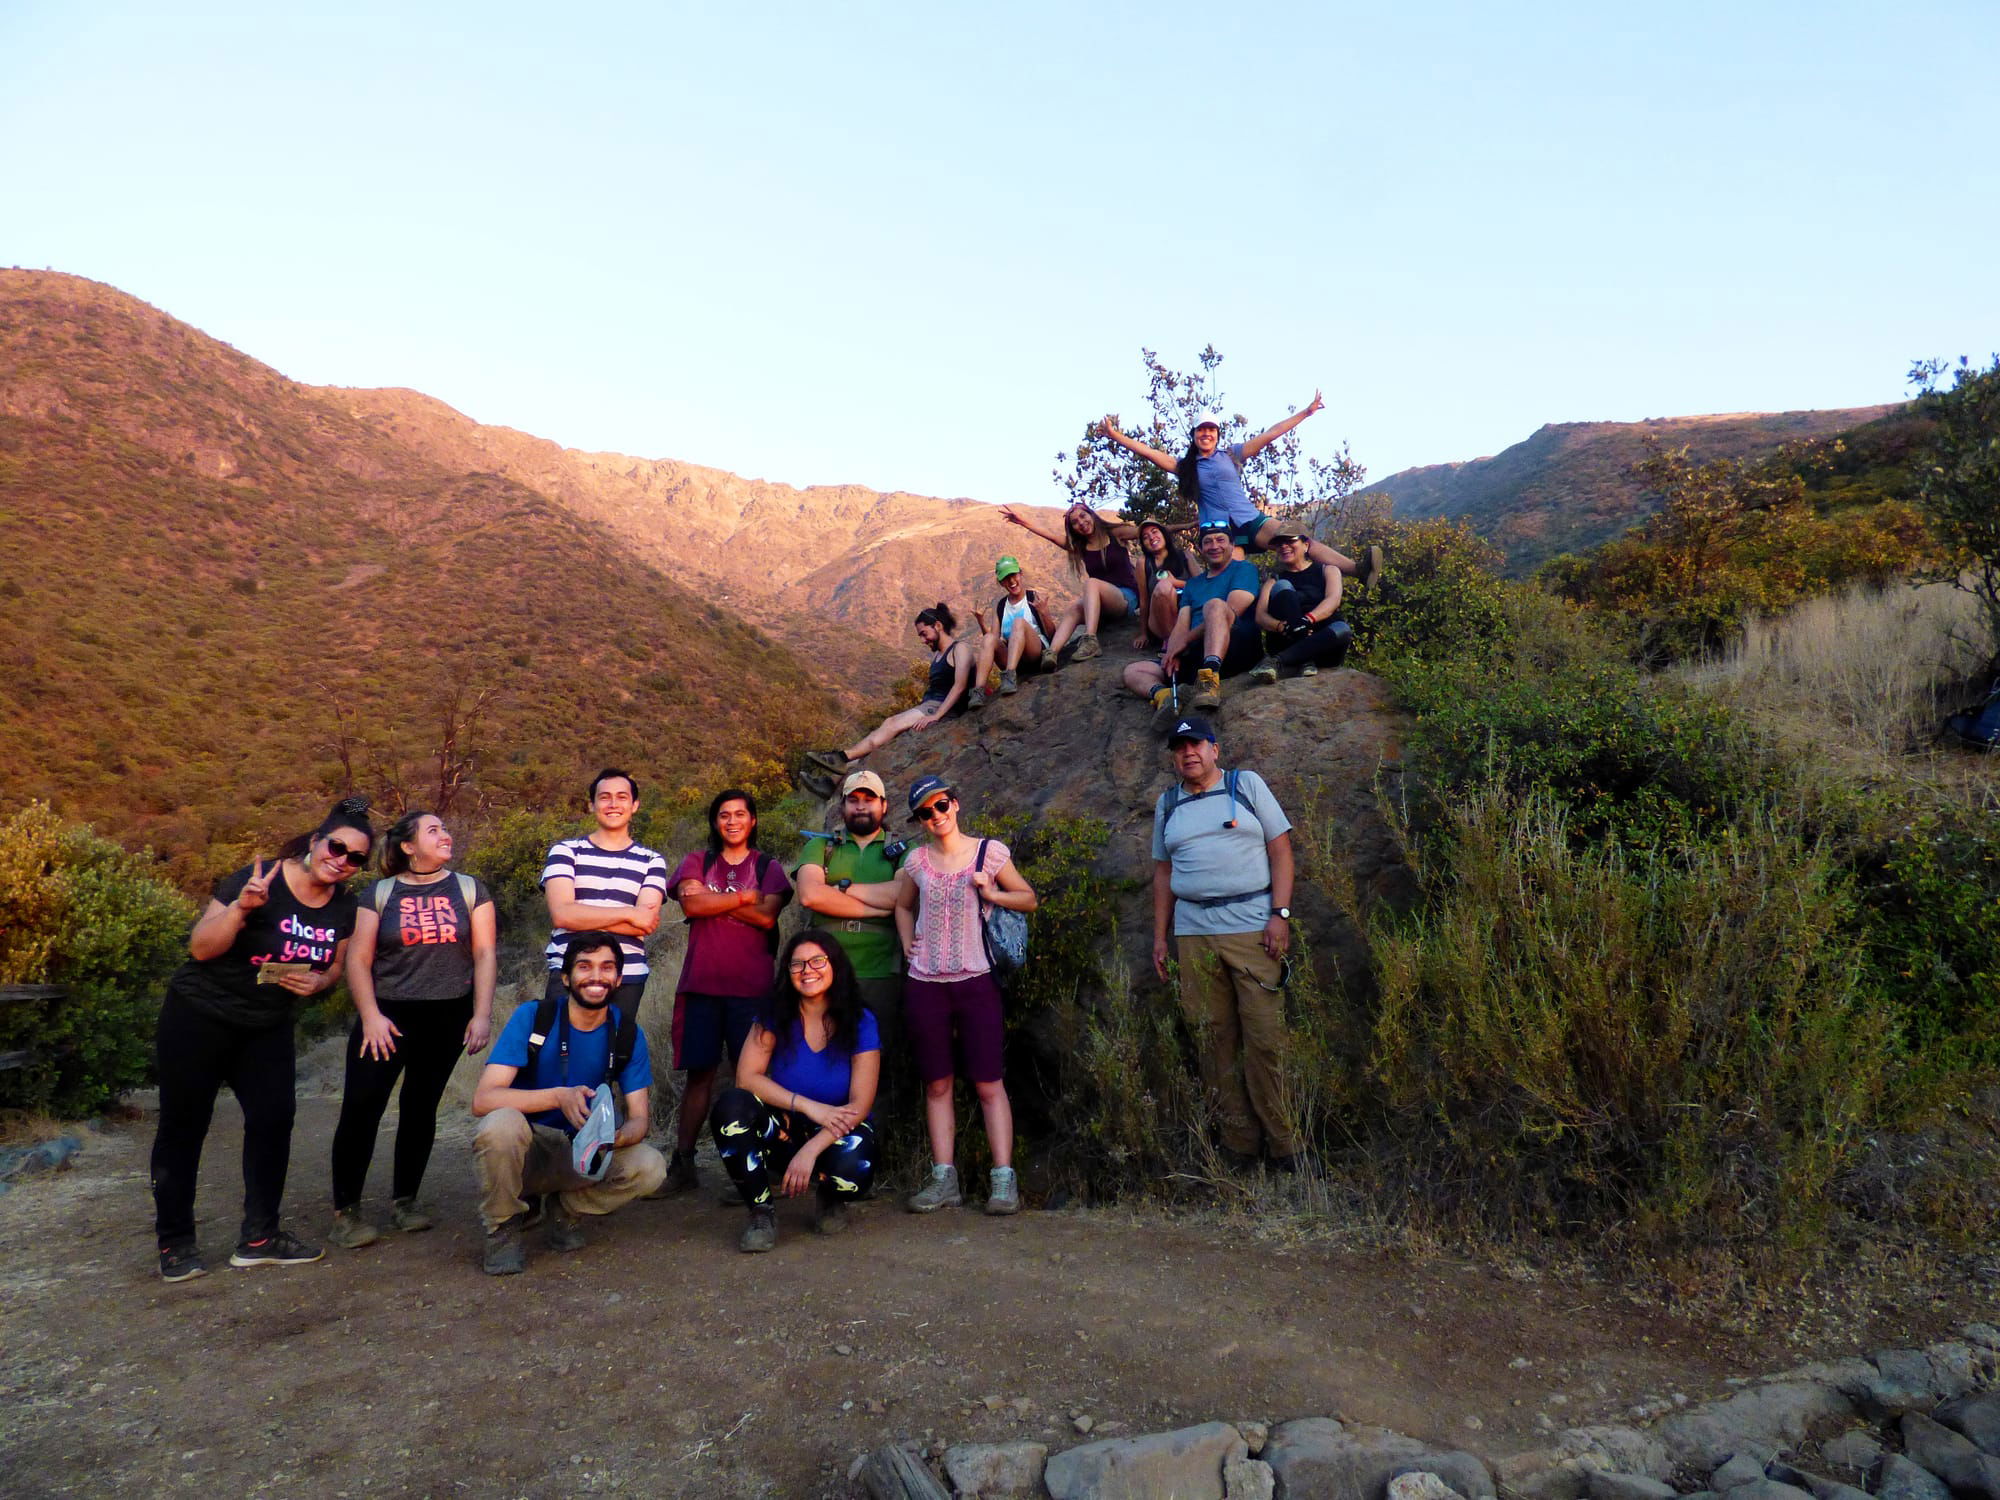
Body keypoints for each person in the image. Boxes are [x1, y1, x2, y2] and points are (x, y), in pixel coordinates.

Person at [151, 797, 373, 1282]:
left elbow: (334, 965)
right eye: (336, 846)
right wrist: (239, 911)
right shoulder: (260, 880)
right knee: (184, 1127)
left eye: (356, 857)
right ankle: (175, 1243)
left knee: (274, 1121)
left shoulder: (344, 908)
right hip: (199, 1016)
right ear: (316, 841)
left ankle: (259, 1238)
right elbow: (200, 947)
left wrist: (319, 983)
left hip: (267, 1025)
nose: (342, 859)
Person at [328, 810, 497, 1249]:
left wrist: (481, 1014)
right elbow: (359, 960)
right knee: (362, 1108)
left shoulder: (469, 888)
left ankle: (406, 1201)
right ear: (408, 845)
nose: (446, 834)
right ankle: (346, 1211)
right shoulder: (379, 893)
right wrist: (370, 1016)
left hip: (447, 1015)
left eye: (445, 826)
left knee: (421, 1108)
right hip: (387, 1017)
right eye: (434, 829)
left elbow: (483, 954)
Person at [1150, 714, 1308, 1173]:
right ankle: (1238, 1144)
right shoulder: (1168, 804)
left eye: (1197, 744)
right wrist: (1160, 938)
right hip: (1193, 932)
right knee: (1210, 1038)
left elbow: (1281, 849)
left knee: (1266, 1038)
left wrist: (1280, 915)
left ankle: (1286, 1145)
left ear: (1215, 748)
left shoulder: (1246, 785)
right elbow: (1163, 873)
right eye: (1179, 748)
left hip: (1252, 926)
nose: (1188, 753)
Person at [470, 935, 667, 1274]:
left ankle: (565, 1209)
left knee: (650, 1166)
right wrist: (558, 1097)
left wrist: (612, 1138)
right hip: (528, 1146)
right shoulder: (534, 1017)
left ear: (619, 979)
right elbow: (483, 1099)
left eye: (607, 968)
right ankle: (502, 1226)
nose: (596, 977)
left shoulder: (628, 1034)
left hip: (583, 1150)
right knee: (499, 1125)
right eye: (584, 967)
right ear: (565, 978)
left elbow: (639, 1119)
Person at [893, 775, 1038, 1216]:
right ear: (919, 821)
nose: (935, 816)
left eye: (941, 806)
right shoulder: (916, 862)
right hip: (926, 982)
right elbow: (902, 905)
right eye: (925, 812)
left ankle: (1002, 1180)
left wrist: (992, 891)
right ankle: (943, 1179)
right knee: (937, 1082)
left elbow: (1028, 898)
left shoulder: (988, 853)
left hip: (976, 979)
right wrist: (907, 945)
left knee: (988, 1081)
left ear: (955, 804)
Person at [710, 929, 881, 1252]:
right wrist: (807, 1107)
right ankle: (761, 1211)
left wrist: (811, 1150)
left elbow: (860, 1104)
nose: (807, 971)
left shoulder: (861, 1019)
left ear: (836, 965)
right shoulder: (775, 1014)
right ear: (787, 972)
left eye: (818, 961)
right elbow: (747, 1078)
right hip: (786, 1125)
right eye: (797, 964)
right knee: (731, 1107)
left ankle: (830, 1197)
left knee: (854, 1168)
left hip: (838, 1129)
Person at [661, 788, 794, 1194]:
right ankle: (683, 1165)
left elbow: (767, 918)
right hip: (701, 985)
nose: (732, 821)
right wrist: (741, 897)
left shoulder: (768, 866)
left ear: (753, 820)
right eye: (724, 815)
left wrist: (711, 897)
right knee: (699, 1076)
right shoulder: (696, 861)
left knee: (752, 1078)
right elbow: (692, 908)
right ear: (715, 822)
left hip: (750, 990)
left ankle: (762, 1168)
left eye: (740, 814)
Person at [1099, 400, 1382, 582]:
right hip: (1220, 530)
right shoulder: (1186, 467)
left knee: (1297, 539)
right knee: (1231, 580)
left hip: (1249, 518)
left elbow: (1270, 434)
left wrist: (1305, 413)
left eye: (1211, 430)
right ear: (1194, 435)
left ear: (1218, 434)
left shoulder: (1233, 455)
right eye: (1201, 430)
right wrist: (1116, 436)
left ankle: (1357, 570)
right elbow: (1150, 454)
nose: (1206, 434)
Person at [795, 770, 910, 1056]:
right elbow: (810, 895)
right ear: (842, 806)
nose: (861, 806)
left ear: (884, 805)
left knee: (878, 1060)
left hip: (882, 973)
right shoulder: (820, 846)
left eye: (869, 799)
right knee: (824, 1055)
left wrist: (841, 888)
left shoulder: (905, 851)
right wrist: (880, 908)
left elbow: (904, 896)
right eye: (853, 799)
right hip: (825, 973)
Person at [540, 769, 668, 1015]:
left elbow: (644, 924)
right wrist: (629, 913)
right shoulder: (565, 852)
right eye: (604, 797)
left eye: (622, 797)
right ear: (592, 805)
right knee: (560, 1051)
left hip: (626, 977)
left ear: (635, 805)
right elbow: (562, 915)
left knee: (615, 1051)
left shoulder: (652, 861)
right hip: (570, 971)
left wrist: (582, 916)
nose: (613, 804)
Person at [805, 604, 974, 780]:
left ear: (938, 626)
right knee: (887, 736)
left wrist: (937, 715)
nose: (923, 640)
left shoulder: (960, 648)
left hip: (941, 707)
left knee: (891, 724)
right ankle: (835, 779)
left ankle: (841, 757)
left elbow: (960, 685)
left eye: (924, 634)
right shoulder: (938, 655)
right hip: (930, 705)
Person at [1121, 522, 1264, 725]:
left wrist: (1184, 641)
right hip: (1197, 653)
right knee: (1133, 671)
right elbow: (1182, 622)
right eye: (1207, 542)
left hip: (1235, 646)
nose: (1214, 546)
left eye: (1221, 540)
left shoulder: (1244, 570)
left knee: (1215, 606)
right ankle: (1165, 697)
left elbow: (1232, 611)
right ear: (1200, 549)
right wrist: (1174, 652)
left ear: (1232, 545)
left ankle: (1210, 678)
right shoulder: (1194, 584)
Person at [996, 502, 1141, 661]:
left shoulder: (1115, 533)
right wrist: (1022, 521)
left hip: (1126, 598)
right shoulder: (1080, 546)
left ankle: (1090, 639)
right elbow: (1049, 535)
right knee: (1074, 609)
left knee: (1091, 583)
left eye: (1083, 516)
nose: (1081, 523)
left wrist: (1172, 528)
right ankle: (1051, 653)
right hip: (1104, 604)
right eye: (1075, 522)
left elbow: (1149, 532)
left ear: (1091, 514)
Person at [1248, 532, 1355, 683]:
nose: (1284, 546)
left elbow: (1333, 600)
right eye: (1279, 544)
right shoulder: (1274, 580)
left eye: (1289, 541)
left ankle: (1278, 661)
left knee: (1343, 629)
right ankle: (1300, 659)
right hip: (1286, 640)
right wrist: (1280, 626)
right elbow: (1260, 616)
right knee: (1283, 586)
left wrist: (1307, 620)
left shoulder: (1328, 570)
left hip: (1321, 645)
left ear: (1306, 545)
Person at [968, 556, 1056, 706]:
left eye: (1014, 575)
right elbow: (993, 641)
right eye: (1006, 578)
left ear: (1020, 574)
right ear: (1001, 582)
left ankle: (1009, 675)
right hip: (1014, 659)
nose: (1011, 581)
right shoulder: (1001, 606)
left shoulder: (1033, 597)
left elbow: (1052, 635)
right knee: (988, 639)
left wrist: (1045, 613)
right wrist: (981, 622)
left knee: (1018, 623)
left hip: (1035, 654)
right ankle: (979, 691)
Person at [1134, 518, 1194, 652]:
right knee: (1163, 587)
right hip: (1159, 621)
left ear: (1163, 534)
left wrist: (1176, 583)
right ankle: (1170, 641)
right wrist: (1143, 633)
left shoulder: (1185, 555)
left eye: (1155, 532)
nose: (1151, 538)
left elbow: (1202, 585)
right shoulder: (1143, 562)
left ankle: (1181, 641)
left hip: (1184, 616)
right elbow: (1144, 601)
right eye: (1145, 537)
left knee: (1167, 585)